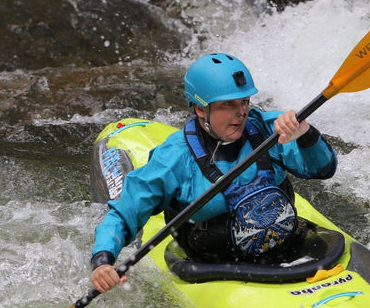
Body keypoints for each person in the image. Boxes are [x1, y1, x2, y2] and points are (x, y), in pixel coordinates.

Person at [90, 53, 338, 294]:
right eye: (228, 104)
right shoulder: (175, 158)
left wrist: (306, 135)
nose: (240, 112)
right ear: (200, 109)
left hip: (287, 250)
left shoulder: (270, 129)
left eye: (244, 102)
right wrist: (103, 260)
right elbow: (126, 211)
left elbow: (324, 169)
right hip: (217, 267)